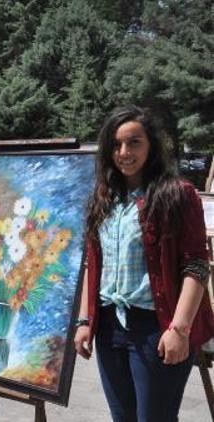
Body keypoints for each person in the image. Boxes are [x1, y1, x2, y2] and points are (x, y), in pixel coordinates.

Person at [74, 105, 214, 421]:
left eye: (134, 142)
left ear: (151, 145)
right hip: (110, 329)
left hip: (156, 328)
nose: (124, 152)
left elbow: (196, 265)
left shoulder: (176, 194)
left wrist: (179, 329)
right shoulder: (103, 197)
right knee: (122, 417)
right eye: (116, 144)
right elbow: (91, 263)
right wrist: (84, 322)